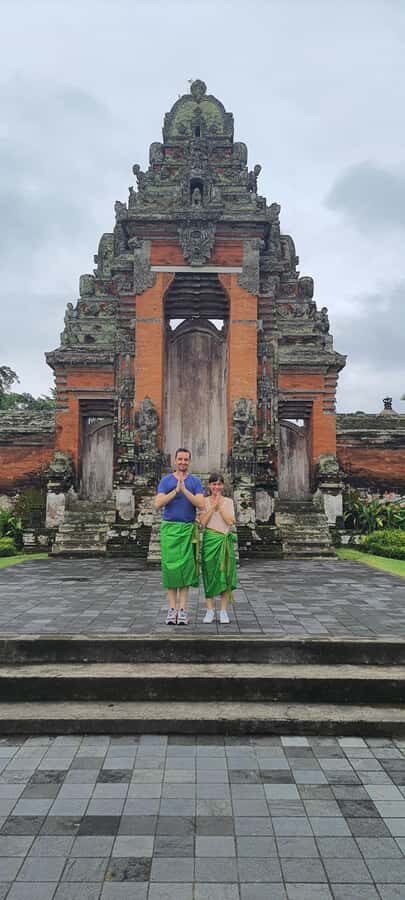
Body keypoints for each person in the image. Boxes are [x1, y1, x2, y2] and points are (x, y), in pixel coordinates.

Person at [155, 448, 205, 625]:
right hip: (170, 528)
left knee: (185, 569)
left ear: (189, 461)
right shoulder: (166, 481)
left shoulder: (195, 482)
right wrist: (175, 491)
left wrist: (184, 490)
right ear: (175, 461)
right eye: (180, 459)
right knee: (170, 569)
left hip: (187, 529)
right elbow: (158, 504)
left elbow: (200, 504)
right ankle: (171, 609)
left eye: (186, 459)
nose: (183, 462)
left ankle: (182, 609)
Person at [199, 472, 237, 625]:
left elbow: (230, 521)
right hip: (210, 540)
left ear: (222, 486)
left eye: (219, 484)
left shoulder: (228, 502)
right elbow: (202, 522)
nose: (216, 487)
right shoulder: (203, 501)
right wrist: (212, 507)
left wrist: (220, 508)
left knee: (225, 575)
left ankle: (223, 610)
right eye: (213, 484)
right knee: (209, 574)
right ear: (209, 486)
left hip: (224, 540)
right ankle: (209, 610)